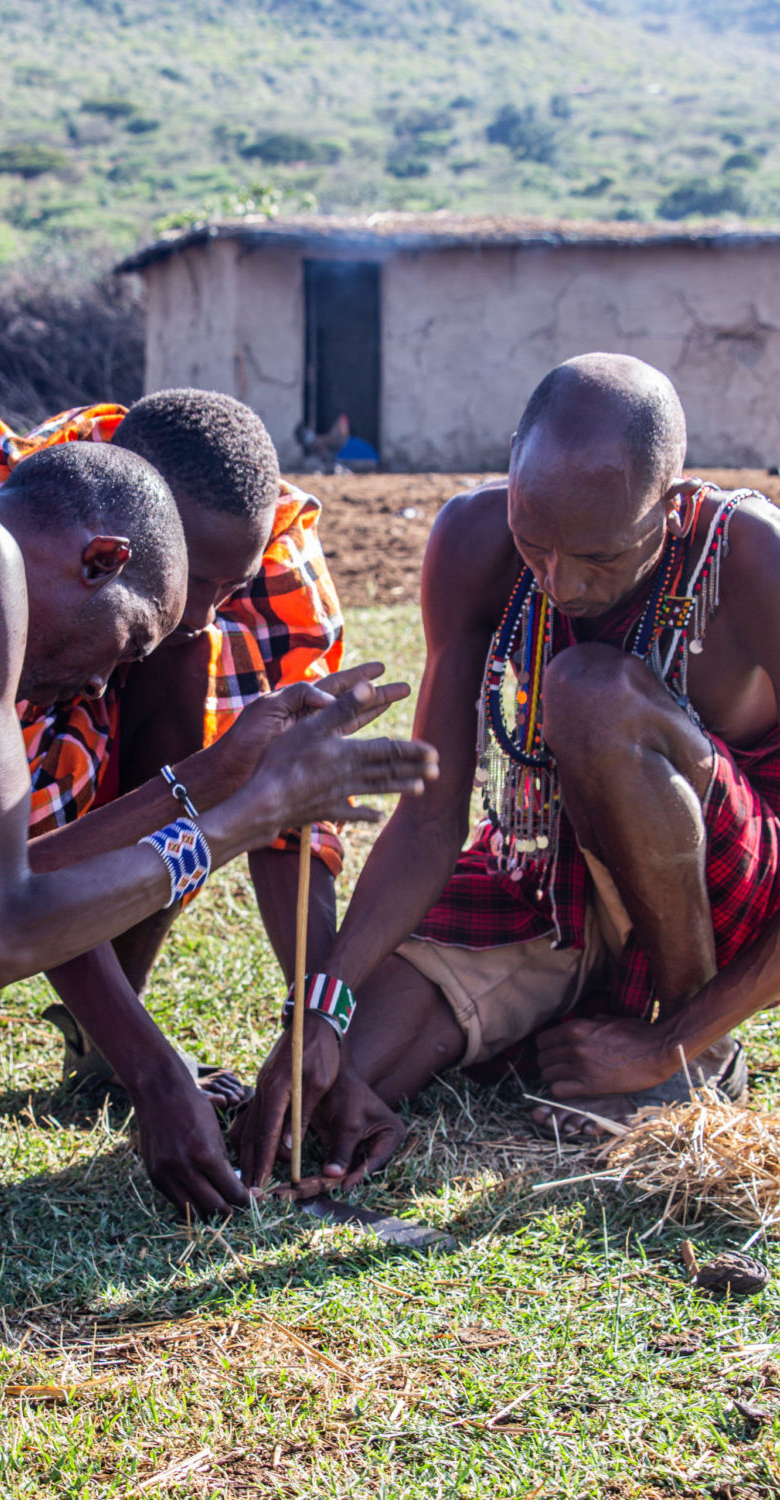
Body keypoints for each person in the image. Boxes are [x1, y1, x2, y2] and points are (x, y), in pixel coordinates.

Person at [0, 440, 435, 1347]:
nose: (107, 682)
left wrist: (217, 777)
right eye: (131, 642)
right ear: (103, 559)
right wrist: (232, 825)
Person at [236, 351, 780, 1191]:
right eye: (536, 542)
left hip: (721, 887)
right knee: (331, 1090)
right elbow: (429, 817)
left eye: (597, 557)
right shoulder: (473, 542)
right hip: (540, 877)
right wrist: (324, 1011)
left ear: (669, 511)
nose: (557, 582)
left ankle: (694, 1058)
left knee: (589, 692)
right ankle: (582, 1010)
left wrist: (667, 1044)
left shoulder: (750, 560)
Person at [0, 391, 347, 1212]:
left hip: (13, 846)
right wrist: (153, 1074)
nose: (210, 608)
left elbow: (297, 807)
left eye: (233, 582)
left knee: (184, 656)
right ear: (108, 551)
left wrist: (316, 1019)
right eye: (202, 581)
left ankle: (104, 1029)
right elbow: (7, 886)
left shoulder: (258, 533)